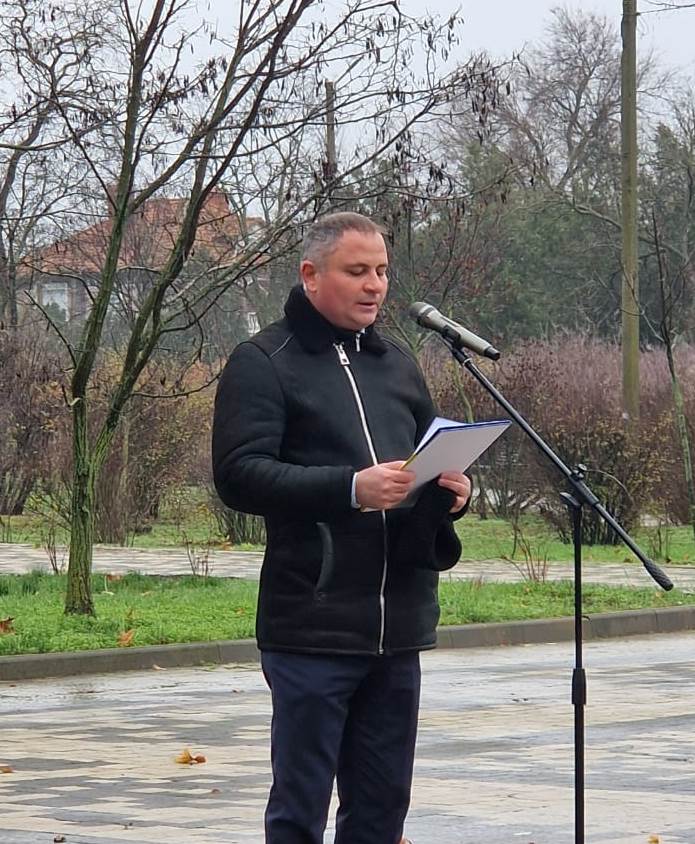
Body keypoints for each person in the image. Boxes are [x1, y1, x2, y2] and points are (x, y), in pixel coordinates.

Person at [212, 211, 471, 844]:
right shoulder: (263, 360)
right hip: (313, 623)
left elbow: (429, 458)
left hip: (398, 625)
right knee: (300, 810)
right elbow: (240, 474)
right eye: (357, 271)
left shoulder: (397, 363)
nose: (374, 285)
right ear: (311, 275)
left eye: (381, 271)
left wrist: (456, 493)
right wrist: (350, 488)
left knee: (382, 811)